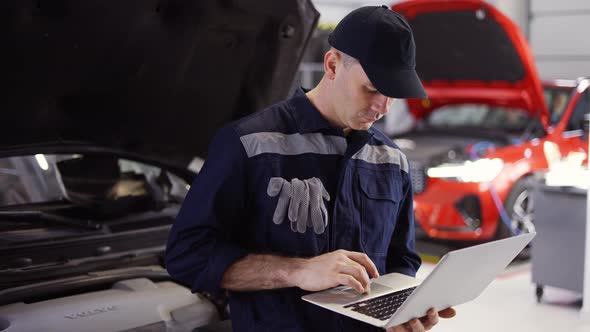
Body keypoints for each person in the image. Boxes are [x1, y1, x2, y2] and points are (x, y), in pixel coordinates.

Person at [166, 5, 455, 332]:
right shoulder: (251, 144)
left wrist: (403, 308)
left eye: (393, 95)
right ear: (332, 65)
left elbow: (401, 260)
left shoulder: (390, 159)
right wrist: (297, 271)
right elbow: (188, 256)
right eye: (372, 89)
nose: (382, 108)